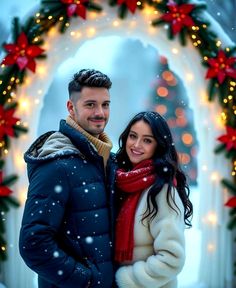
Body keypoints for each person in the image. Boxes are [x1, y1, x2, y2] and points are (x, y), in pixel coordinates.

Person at [19, 69, 117, 288]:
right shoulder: (56, 165)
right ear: (71, 108)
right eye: (90, 104)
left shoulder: (108, 161)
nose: (100, 112)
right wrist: (85, 280)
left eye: (105, 104)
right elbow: (33, 244)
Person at [114, 111, 193, 288]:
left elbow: (171, 259)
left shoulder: (161, 191)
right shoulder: (122, 182)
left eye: (147, 140)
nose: (136, 145)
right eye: (133, 136)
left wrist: (126, 279)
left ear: (159, 146)